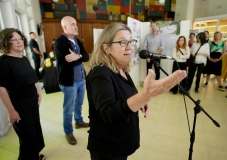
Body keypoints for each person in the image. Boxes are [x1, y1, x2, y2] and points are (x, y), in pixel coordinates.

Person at [86, 23, 186, 160]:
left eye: (131, 41)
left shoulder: (121, 68)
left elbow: (129, 94)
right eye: (122, 42)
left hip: (120, 143)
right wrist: (145, 96)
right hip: (108, 148)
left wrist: (142, 99)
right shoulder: (100, 73)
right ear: (106, 48)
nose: (130, 47)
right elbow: (108, 113)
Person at [0, 28, 45, 160]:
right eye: (13, 39)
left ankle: (34, 155)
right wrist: (11, 111)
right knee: (27, 135)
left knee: (35, 130)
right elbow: (1, 88)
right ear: (6, 42)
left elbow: (31, 78)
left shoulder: (23, 58)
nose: (19, 41)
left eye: (20, 38)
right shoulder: (4, 62)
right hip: (19, 103)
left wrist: (38, 92)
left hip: (32, 100)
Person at [55, 16, 89, 145]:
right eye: (73, 24)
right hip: (69, 82)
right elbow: (67, 61)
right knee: (68, 108)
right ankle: (68, 132)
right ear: (65, 27)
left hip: (81, 79)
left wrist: (77, 56)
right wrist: (77, 57)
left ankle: (79, 121)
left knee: (79, 103)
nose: (76, 27)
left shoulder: (77, 41)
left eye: (76, 24)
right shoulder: (60, 42)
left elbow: (86, 57)